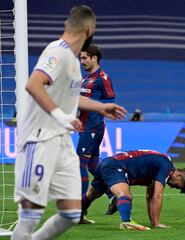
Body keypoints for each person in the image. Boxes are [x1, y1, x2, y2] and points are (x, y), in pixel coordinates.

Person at [12, 5, 127, 240]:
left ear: (67, 25)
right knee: (31, 212)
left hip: (61, 142)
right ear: (90, 29)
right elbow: (33, 84)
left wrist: (100, 106)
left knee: (72, 212)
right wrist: (61, 115)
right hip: (39, 139)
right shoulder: (57, 51)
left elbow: (73, 97)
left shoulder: (74, 64)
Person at [81, 150, 185, 230]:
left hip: (108, 163)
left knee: (91, 194)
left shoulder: (159, 167)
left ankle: (77, 216)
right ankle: (127, 222)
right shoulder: (167, 166)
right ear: (178, 175)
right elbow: (157, 196)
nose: (172, 187)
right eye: (177, 185)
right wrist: (158, 224)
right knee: (125, 195)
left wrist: (154, 223)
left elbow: (150, 196)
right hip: (115, 167)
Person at [78, 44, 117, 218]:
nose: (82, 61)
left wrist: (99, 112)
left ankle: (80, 209)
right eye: (81, 58)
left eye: (85, 58)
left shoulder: (103, 78)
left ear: (94, 58)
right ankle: (113, 196)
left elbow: (110, 102)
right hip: (84, 127)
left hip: (93, 127)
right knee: (94, 166)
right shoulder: (86, 79)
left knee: (79, 164)